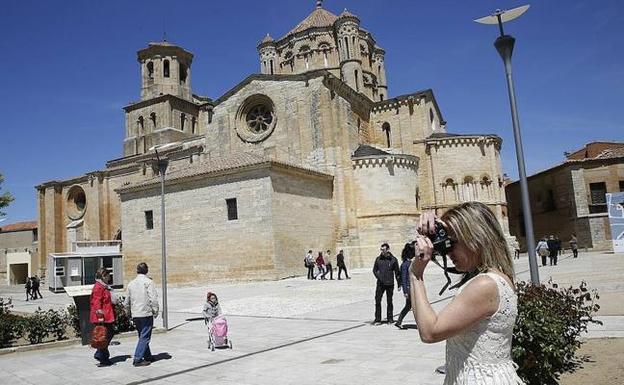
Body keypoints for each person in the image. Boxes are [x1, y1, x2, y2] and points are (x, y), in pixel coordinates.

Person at [411, 201, 523, 384]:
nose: (448, 251)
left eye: (453, 242)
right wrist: (433, 228)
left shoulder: (485, 284)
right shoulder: (494, 277)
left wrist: (416, 274)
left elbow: (430, 332)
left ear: (476, 237)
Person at [125, 262, 159, 367]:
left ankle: (147, 356)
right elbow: (153, 298)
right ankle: (138, 358)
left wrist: (127, 312)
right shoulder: (148, 282)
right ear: (147, 270)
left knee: (142, 335)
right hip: (145, 312)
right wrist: (155, 310)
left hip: (136, 313)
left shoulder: (131, 283)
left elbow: (127, 300)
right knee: (145, 336)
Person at [90, 268, 117, 367]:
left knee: (106, 335)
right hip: (102, 317)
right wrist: (100, 316)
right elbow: (96, 302)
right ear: (104, 276)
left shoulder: (104, 286)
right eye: (108, 275)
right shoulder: (98, 287)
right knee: (104, 336)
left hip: (107, 315)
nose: (109, 277)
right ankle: (102, 357)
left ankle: (100, 354)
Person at [372, 243, 400, 324]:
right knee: (377, 300)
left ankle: (390, 319)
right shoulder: (378, 259)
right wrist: (379, 277)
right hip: (380, 284)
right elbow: (374, 270)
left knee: (389, 301)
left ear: (387, 250)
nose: (382, 251)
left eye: (383, 250)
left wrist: (399, 284)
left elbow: (397, 273)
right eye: (381, 250)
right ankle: (378, 319)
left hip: (390, 284)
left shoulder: (393, 259)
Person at [395, 242, 416, 330]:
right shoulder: (405, 265)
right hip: (408, 288)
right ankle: (421, 323)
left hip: (412, 287)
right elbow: (403, 278)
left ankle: (399, 322)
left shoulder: (409, 262)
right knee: (415, 306)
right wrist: (405, 291)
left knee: (408, 306)